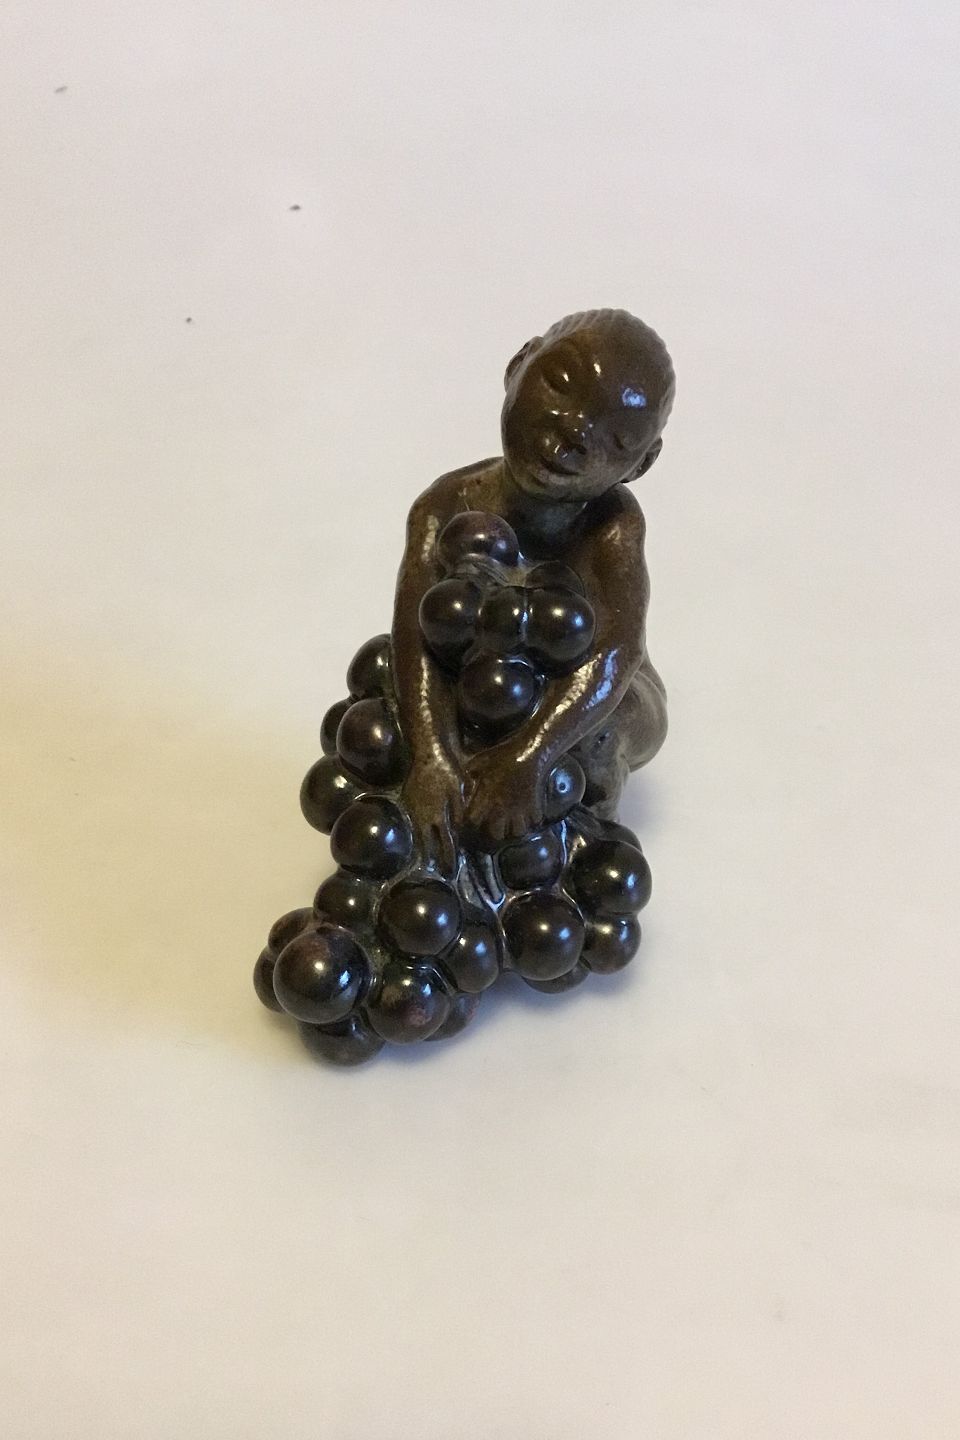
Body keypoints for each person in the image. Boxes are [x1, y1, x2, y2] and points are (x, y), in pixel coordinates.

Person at [391, 308, 675, 872]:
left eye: (618, 438)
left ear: (641, 464)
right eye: (561, 383)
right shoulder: (444, 506)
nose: (574, 434)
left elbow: (615, 653)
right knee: (410, 703)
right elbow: (413, 638)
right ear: (519, 362)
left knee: (596, 740)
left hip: (603, 700)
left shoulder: (612, 525)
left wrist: (532, 756)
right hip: (482, 681)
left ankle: (571, 855)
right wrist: (431, 756)